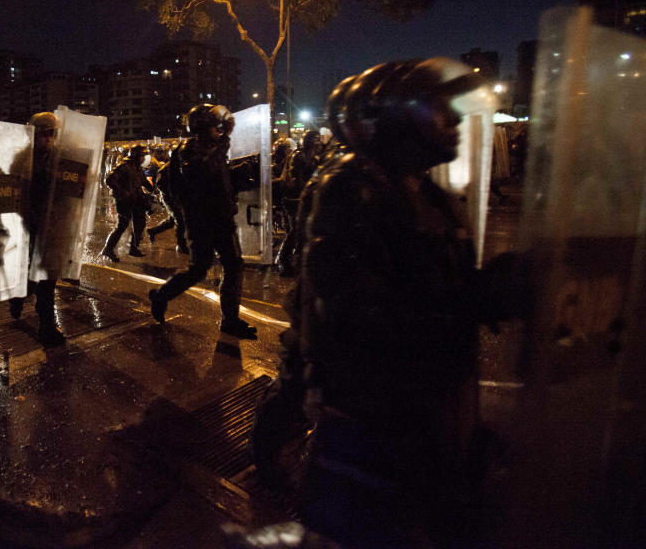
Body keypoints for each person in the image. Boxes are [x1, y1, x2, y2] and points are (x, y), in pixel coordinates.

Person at [287, 58, 523, 547]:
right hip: (374, 406)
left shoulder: (425, 192)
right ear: (395, 118)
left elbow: (437, 283)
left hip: (429, 398)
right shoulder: (352, 187)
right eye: (441, 111)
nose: (456, 123)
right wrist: (475, 300)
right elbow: (360, 309)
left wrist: (498, 287)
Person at [148, 103, 257, 338]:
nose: (219, 130)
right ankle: (161, 296)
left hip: (221, 217)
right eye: (215, 126)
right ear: (203, 126)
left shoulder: (210, 148)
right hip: (203, 220)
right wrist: (226, 140)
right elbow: (203, 172)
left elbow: (220, 178)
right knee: (199, 269)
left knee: (234, 264)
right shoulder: (189, 149)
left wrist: (245, 170)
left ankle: (230, 319)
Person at [7, 112, 64, 346]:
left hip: (54, 226)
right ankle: (22, 300)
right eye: (43, 134)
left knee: (48, 278)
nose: (48, 139)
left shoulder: (60, 157)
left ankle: (46, 325)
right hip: (28, 225)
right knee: (33, 276)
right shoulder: (22, 159)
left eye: (52, 134)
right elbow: (12, 193)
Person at [273, 128, 322, 277]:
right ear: (308, 141)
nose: (319, 142)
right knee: (295, 230)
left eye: (319, 139)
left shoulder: (314, 158)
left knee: (303, 231)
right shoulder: (299, 156)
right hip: (293, 199)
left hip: (305, 198)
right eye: (316, 139)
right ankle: (282, 260)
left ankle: (298, 261)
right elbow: (297, 179)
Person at [101, 144, 152, 262]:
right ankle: (108, 249)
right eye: (142, 156)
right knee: (122, 225)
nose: (144, 159)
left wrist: (151, 188)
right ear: (136, 156)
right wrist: (123, 191)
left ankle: (133, 248)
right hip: (124, 200)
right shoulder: (124, 166)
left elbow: (143, 181)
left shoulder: (137, 167)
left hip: (136, 200)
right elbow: (109, 180)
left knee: (140, 223)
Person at [146, 146, 189, 254]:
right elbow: (160, 185)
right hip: (170, 198)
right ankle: (181, 245)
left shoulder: (181, 166)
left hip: (177, 198)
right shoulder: (167, 168)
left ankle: (152, 231)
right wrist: (171, 196)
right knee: (180, 221)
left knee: (172, 221)